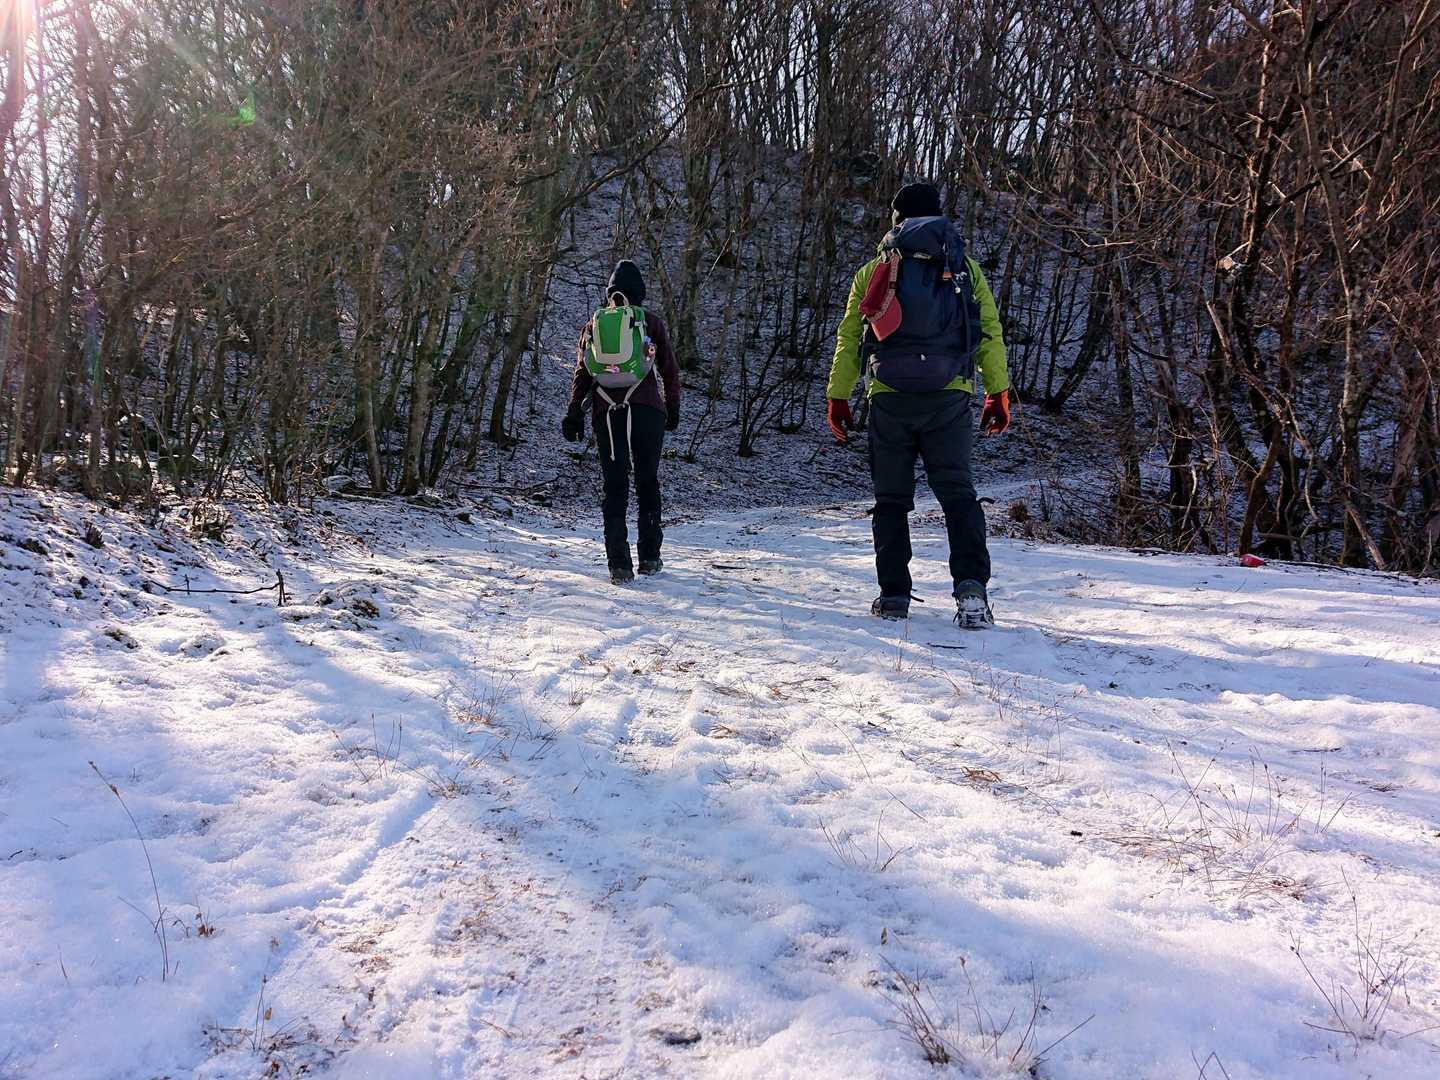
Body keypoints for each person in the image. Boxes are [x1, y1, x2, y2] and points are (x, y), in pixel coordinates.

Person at [824, 183, 1011, 628]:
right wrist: (997, 392)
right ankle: (971, 593)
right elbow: (989, 333)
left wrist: (838, 395)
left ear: (896, 220)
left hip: (890, 396)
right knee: (958, 495)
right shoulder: (964, 268)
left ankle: (893, 597)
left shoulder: (874, 270)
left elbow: (850, 338)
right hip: (949, 395)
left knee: (891, 500)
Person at [563, 260, 681, 584]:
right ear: (639, 293)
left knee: (614, 487)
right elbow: (669, 370)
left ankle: (619, 565)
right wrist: (672, 408)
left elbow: (582, 372)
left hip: (607, 413)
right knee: (647, 483)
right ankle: (650, 558)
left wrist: (574, 412)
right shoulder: (650, 322)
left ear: (610, 294)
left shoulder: (593, 325)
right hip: (647, 411)